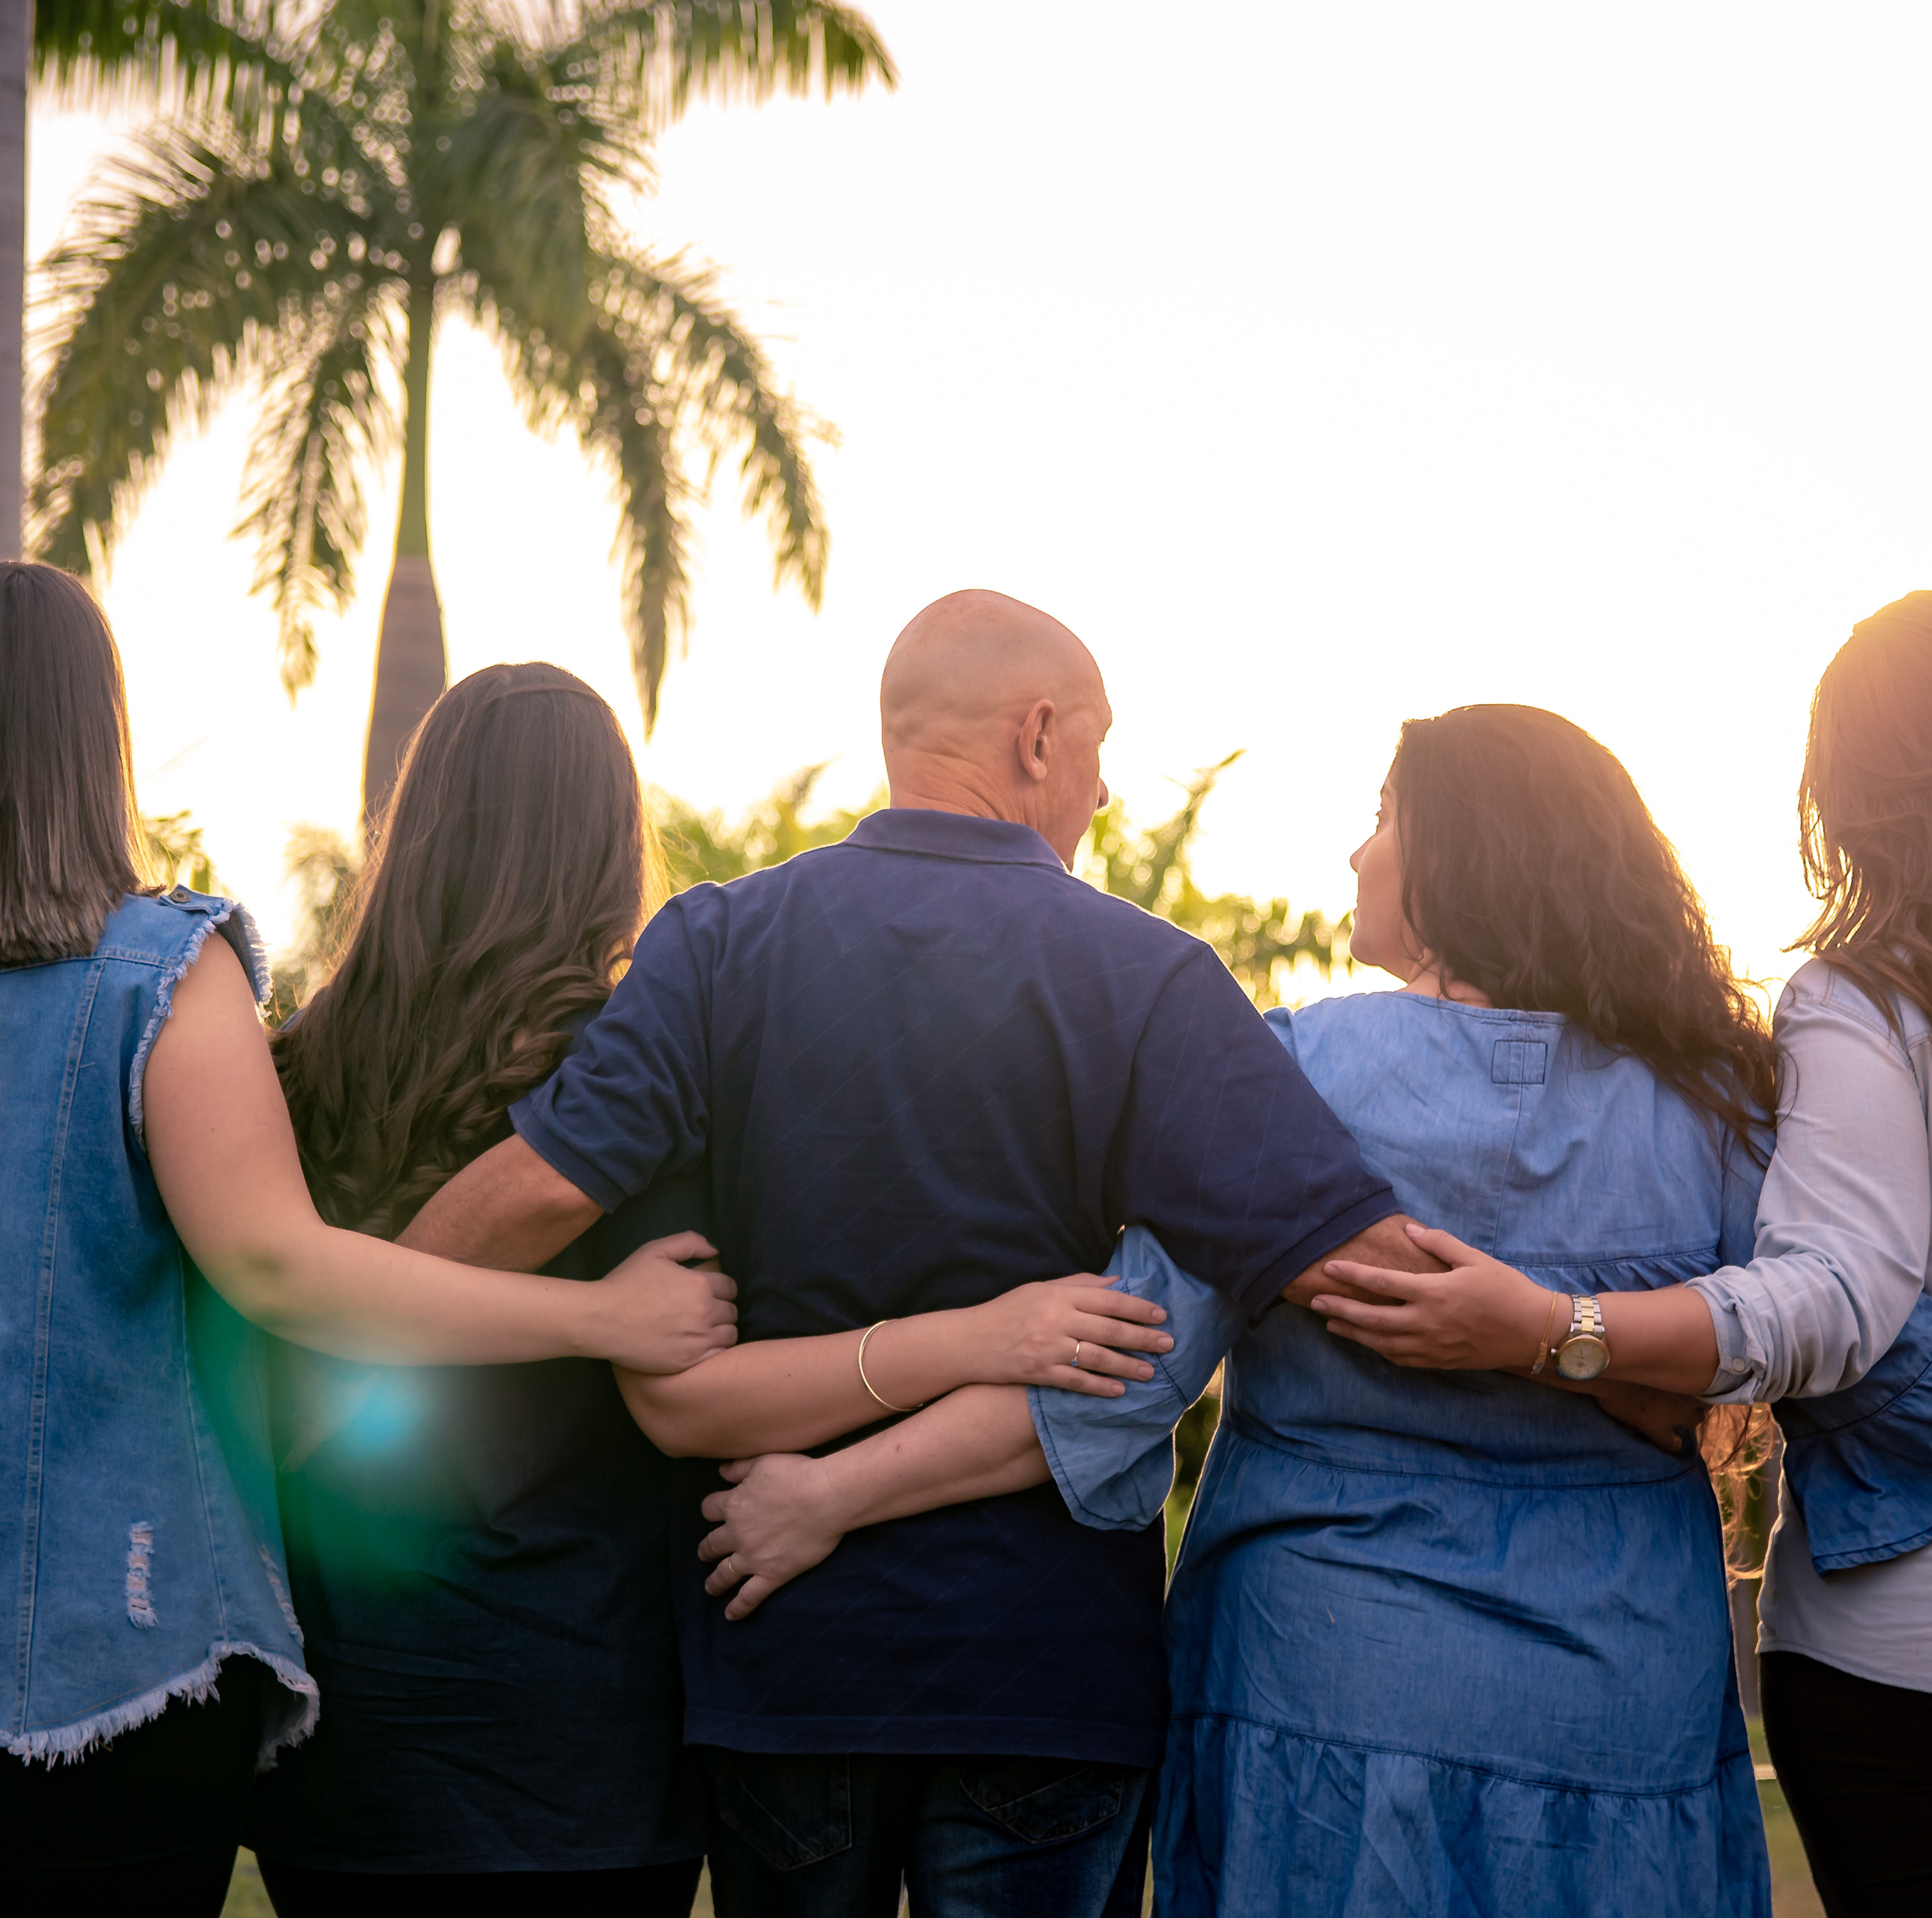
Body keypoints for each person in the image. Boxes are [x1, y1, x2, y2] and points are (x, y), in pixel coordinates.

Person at [695, 703, 1932, 1918]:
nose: (1358, 853)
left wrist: (831, 1490)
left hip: (1325, 1686)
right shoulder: (1719, 1105)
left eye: (1381, 819)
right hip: (1623, 1717)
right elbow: (1873, 1343)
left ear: (1451, 859)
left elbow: (1118, 1372)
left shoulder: (1295, 1065)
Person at [0, 563, 734, 1918]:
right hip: (132, 1656)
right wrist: (597, 1317)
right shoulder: (167, 976)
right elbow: (274, 1267)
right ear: (96, 740)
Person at [396, 590, 1444, 1918]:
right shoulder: (1147, 975)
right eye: (1101, 747)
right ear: (1038, 734)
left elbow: (539, 1192)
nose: (1107, 790)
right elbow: (1351, 1264)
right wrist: (1599, 1342)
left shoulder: (719, 941)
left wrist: (356, 1306)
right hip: (1042, 1667)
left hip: (782, 1648)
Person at [1316, 593, 1932, 1917]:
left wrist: (1555, 1326)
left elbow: (1851, 1327)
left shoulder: (1859, 1007)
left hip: (1921, 1658)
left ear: (1844, 789)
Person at [245, 663, 1176, 1916]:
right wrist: (976, 1335)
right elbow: (699, 1390)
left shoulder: (284, 1076)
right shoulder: (642, 1077)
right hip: (592, 1720)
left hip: (345, 1716)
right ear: (603, 846)